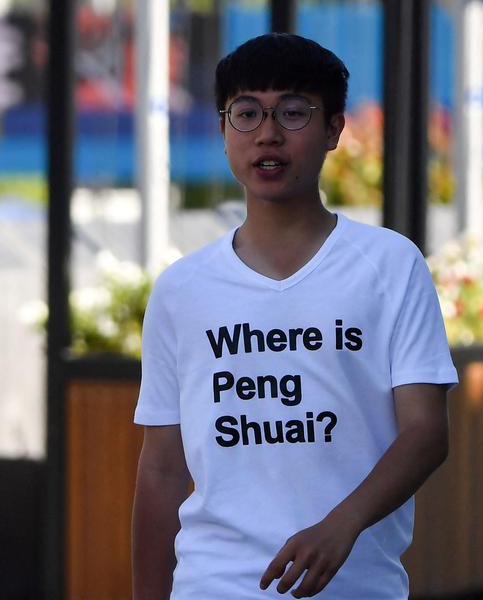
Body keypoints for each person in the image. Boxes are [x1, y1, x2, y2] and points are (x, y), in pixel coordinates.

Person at [131, 33, 457, 599]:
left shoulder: (389, 265)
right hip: (213, 585)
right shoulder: (182, 289)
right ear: (223, 128)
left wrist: (342, 525)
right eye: (247, 113)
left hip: (356, 586)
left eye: (294, 112)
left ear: (334, 129)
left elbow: (426, 432)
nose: (268, 133)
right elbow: (160, 469)